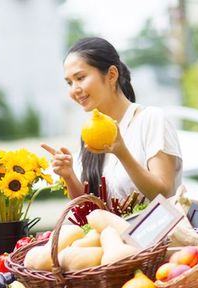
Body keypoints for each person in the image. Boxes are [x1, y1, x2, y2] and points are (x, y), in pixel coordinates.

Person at [42, 37, 183, 203]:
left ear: (111, 75)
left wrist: (122, 153)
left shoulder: (151, 119)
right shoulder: (90, 133)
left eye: (80, 78)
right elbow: (92, 209)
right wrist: (69, 175)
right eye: (69, 82)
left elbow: (164, 193)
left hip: (156, 229)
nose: (74, 90)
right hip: (112, 230)